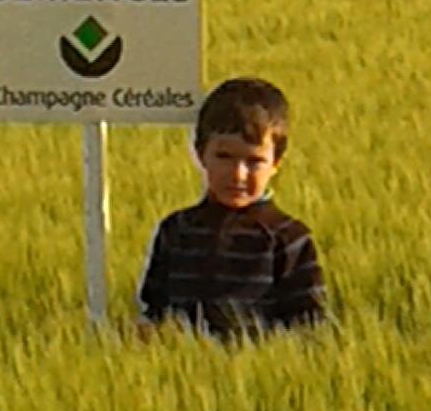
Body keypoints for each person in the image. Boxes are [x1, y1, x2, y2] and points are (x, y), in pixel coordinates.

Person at [136, 77, 329, 338]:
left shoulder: (289, 239)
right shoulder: (176, 230)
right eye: (224, 157)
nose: (238, 175)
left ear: (276, 162)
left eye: (254, 161)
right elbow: (157, 313)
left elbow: (308, 327)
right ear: (200, 153)